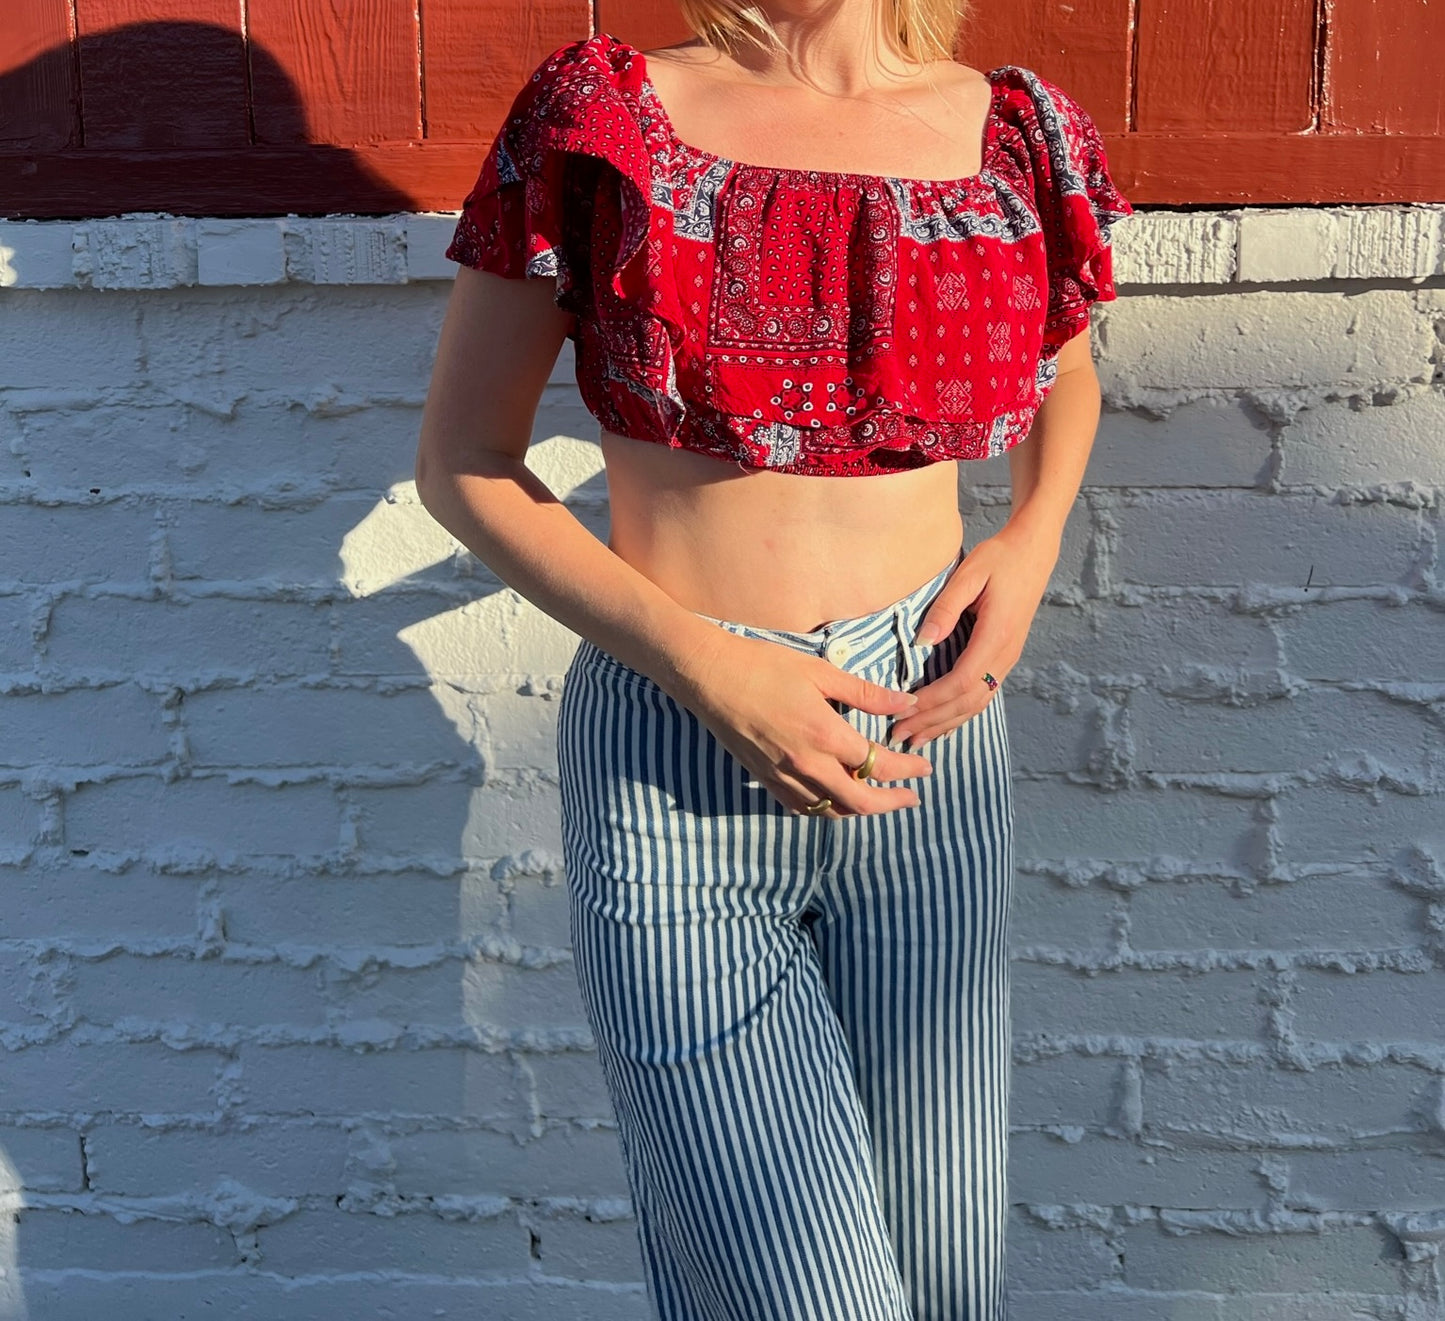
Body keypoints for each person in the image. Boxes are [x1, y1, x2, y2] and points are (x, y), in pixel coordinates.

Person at [415, 3, 1133, 1315]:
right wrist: (710, 669)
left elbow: (1065, 369)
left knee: (940, 1286)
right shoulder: (604, 116)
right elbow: (464, 462)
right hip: (677, 753)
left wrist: (1029, 541)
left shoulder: (1014, 134)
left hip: (929, 745)